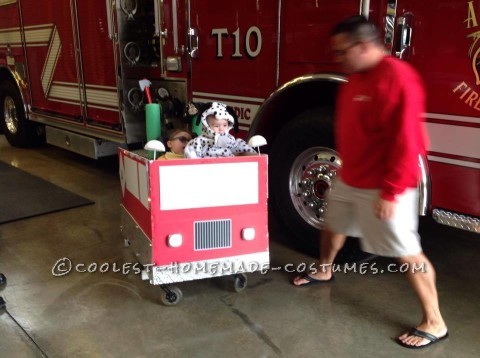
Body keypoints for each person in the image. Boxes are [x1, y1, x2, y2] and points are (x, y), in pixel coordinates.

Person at [292, 15, 448, 349]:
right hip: (352, 177)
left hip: (386, 184)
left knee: (407, 251)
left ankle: (435, 321)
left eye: (342, 52)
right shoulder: (355, 80)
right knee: (333, 225)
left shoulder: (398, 79)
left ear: (363, 46)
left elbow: (409, 142)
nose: (338, 59)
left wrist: (391, 192)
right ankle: (324, 269)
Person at [184, 102, 256, 158]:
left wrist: (254, 155)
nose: (221, 128)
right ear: (206, 126)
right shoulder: (200, 141)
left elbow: (240, 146)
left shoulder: (230, 139)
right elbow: (191, 152)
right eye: (217, 126)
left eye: (225, 125)